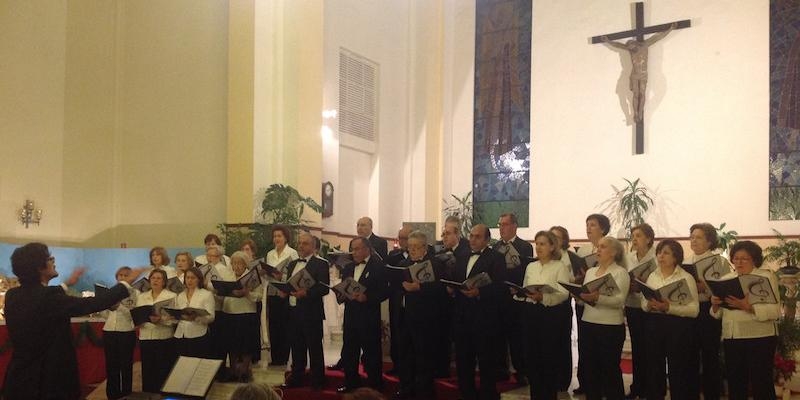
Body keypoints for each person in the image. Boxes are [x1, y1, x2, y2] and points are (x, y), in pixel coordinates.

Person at [2, 242, 143, 400]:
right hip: (48, 380)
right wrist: (126, 283)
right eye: (50, 258)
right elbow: (92, 304)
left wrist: (67, 284)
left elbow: (43, 296)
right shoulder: (48, 298)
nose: (53, 260)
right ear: (39, 267)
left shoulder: (13, 295)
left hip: (20, 378)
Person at [710, 241, 780, 400]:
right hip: (733, 337)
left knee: (761, 382)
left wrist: (748, 307)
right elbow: (718, 313)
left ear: (754, 260)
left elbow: (775, 311)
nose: (739, 262)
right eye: (735, 258)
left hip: (761, 336)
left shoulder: (766, 277)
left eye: (744, 259)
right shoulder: (727, 278)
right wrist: (715, 305)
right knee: (735, 383)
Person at [451, 224, 507, 400]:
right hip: (462, 316)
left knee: (486, 360)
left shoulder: (496, 258)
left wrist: (479, 292)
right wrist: (451, 287)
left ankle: (487, 395)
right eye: (471, 236)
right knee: (463, 359)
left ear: (487, 240)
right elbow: (456, 278)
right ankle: (466, 393)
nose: (472, 240)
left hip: (484, 317)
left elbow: (500, 286)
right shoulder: (461, 256)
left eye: (477, 237)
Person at [512, 231, 570, 400]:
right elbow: (526, 288)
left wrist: (543, 297)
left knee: (548, 358)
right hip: (531, 314)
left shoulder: (559, 266)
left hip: (550, 315)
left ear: (552, 246)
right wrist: (520, 292)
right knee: (532, 358)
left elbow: (564, 294)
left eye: (543, 244)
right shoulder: (531, 266)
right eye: (537, 244)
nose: (538, 247)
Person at [641, 239, 699, 400]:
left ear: (676, 257)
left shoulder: (686, 278)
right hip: (654, 324)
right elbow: (643, 301)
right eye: (659, 252)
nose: (661, 256)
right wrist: (649, 304)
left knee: (678, 368)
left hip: (678, 327)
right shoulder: (653, 275)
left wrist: (669, 308)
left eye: (666, 253)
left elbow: (694, 310)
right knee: (654, 367)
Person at [394, 231, 447, 400]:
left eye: (416, 247)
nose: (413, 250)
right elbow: (395, 287)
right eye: (410, 247)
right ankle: (406, 389)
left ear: (425, 247)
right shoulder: (402, 264)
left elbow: (441, 289)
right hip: (405, 316)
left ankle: (424, 392)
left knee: (424, 358)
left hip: (426, 319)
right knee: (405, 355)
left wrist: (420, 288)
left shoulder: (435, 264)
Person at [579, 236, 630, 400]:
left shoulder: (620, 273)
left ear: (614, 252)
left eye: (603, 247)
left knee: (609, 369)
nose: (598, 250)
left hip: (610, 326)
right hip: (588, 323)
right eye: (598, 247)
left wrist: (597, 298)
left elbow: (619, 301)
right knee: (590, 368)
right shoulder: (590, 271)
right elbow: (587, 295)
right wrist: (580, 296)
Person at [337, 237, 388, 393]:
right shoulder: (348, 267)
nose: (354, 252)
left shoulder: (378, 266)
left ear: (367, 249)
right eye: (352, 249)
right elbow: (344, 287)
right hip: (351, 315)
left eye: (357, 248)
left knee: (371, 351)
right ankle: (351, 383)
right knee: (350, 350)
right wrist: (341, 294)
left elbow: (385, 291)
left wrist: (367, 297)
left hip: (369, 316)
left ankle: (375, 385)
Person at [280, 232, 330, 390]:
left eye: (305, 243)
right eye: (300, 243)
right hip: (293, 311)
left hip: (311, 313)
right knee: (296, 347)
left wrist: (306, 293)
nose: (301, 246)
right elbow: (291, 285)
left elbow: (324, 288)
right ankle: (296, 378)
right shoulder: (293, 264)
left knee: (314, 347)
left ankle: (318, 381)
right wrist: (284, 291)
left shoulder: (321, 264)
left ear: (314, 246)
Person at [687, 222, 730, 400]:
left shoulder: (719, 261)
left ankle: (712, 394)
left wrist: (704, 286)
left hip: (709, 310)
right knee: (690, 355)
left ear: (710, 241)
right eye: (692, 237)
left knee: (710, 355)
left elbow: (725, 289)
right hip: (689, 311)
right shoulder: (686, 261)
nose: (694, 241)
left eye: (698, 237)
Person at [600, 23, 676, 122]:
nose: (632, 50)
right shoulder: (629, 49)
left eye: (632, 48)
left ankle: (640, 112)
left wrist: (670, 29)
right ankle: (635, 113)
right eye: (630, 49)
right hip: (635, 75)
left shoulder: (645, 45)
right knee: (635, 94)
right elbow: (617, 45)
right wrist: (608, 41)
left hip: (644, 75)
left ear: (636, 44)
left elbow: (658, 37)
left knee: (642, 93)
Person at [493, 212, 533, 384]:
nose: (502, 228)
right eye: (500, 224)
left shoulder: (524, 246)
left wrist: (516, 286)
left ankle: (521, 371)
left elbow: (526, 271)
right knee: (499, 336)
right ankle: (501, 369)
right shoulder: (494, 248)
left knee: (517, 337)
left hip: (516, 297)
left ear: (514, 226)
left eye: (505, 224)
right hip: (498, 298)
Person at [573, 213, 610, 395]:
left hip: (603, 304)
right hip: (584, 303)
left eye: (593, 225)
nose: (588, 228)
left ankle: (602, 383)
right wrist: (579, 277)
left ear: (603, 228)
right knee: (585, 345)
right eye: (587, 224)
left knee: (601, 348)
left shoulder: (611, 247)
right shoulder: (583, 250)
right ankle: (585, 382)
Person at [549, 225, 585, 392]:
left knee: (563, 341)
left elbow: (579, 278)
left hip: (564, 303)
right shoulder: (546, 257)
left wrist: (576, 281)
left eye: (558, 237)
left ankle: (563, 379)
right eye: (552, 237)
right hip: (546, 303)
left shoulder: (572, 257)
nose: (555, 240)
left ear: (564, 240)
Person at [623, 223, 656, 399]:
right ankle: (637, 386)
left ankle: (650, 387)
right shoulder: (628, 258)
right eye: (633, 236)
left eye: (639, 236)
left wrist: (644, 284)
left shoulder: (656, 258)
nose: (634, 239)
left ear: (649, 238)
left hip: (650, 307)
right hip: (632, 304)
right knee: (637, 347)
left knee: (650, 349)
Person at [222, 251, 263, 382]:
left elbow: (259, 296)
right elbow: (221, 293)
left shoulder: (252, 277)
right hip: (229, 313)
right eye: (234, 263)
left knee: (246, 343)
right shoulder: (228, 276)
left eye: (240, 263)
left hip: (246, 313)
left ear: (245, 264)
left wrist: (247, 293)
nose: (237, 266)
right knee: (232, 343)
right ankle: (233, 370)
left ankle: (245, 371)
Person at [135, 268, 177, 393]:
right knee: (148, 370)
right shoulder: (142, 296)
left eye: (159, 278)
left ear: (164, 282)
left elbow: (175, 319)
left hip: (164, 337)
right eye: (153, 278)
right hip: (146, 336)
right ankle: (148, 394)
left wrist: (161, 320)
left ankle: (163, 395)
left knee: (163, 369)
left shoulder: (171, 296)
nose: (155, 280)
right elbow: (137, 316)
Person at [263, 225, 298, 366]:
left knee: (284, 325)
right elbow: (268, 272)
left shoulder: (292, 253)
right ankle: (274, 357)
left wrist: (281, 276)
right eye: (275, 236)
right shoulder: (270, 254)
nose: (276, 239)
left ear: (285, 238)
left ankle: (283, 357)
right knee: (273, 325)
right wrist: (267, 272)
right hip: (272, 291)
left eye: (279, 236)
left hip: (285, 292)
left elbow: (295, 275)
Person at [102, 266, 138, 400]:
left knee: (126, 364)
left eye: (125, 275)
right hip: (109, 330)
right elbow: (104, 314)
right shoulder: (111, 292)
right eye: (120, 275)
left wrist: (120, 307)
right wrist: (109, 308)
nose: (122, 278)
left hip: (126, 331)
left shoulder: (134, 293)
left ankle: (126, 393)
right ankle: (112, 394)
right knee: (111, 364)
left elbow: (134, 314)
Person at [385, 226, 413, 375]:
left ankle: (410, 367)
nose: (402, 241)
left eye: (405, 238)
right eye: (400, 238)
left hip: (413, 300)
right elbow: (388, 275)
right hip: (396, 298)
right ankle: (397, 365)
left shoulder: (421, 255)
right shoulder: (393, 255)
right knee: (396, 331)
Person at [173, 266, 216, 358]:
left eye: (193, 278)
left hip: (198, 334)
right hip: (181, 334)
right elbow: (177, 314)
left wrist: (196, 318)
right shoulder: (180, 295)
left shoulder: (206, 294)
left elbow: (211, 317)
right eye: (187, 278)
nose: (190, 280)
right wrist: (173, 317)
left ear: (199, 280)